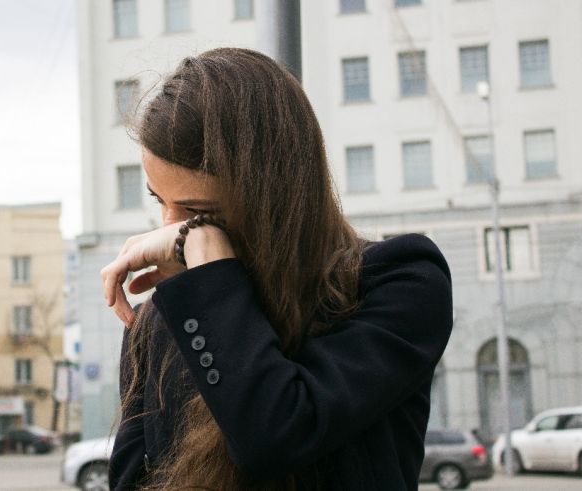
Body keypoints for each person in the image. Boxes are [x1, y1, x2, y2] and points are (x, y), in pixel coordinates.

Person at [101, 48, 453, 490]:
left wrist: (208, 266)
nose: (172, 231)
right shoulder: (162, 319)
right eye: (159, 201)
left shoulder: (400, 281)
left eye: (196, 211)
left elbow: (275, 435)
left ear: (274, 197)